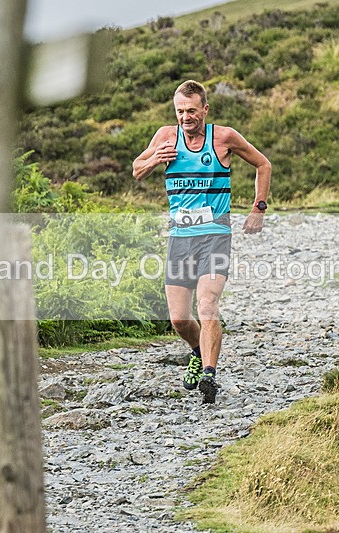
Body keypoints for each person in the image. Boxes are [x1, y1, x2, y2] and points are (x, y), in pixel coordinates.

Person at [132, 80, 272, 404]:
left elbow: (263, 164)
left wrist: (258, 208)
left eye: (192, 111)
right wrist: (155, 159)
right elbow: (137, 170)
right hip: (180, 238)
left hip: (215, 235)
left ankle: (209, 374)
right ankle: (197, 351)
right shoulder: (165, 136)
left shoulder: (224, 137)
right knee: (179, 319)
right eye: (180, 111)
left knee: (207, 304)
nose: (185, 117)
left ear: (205, 109)